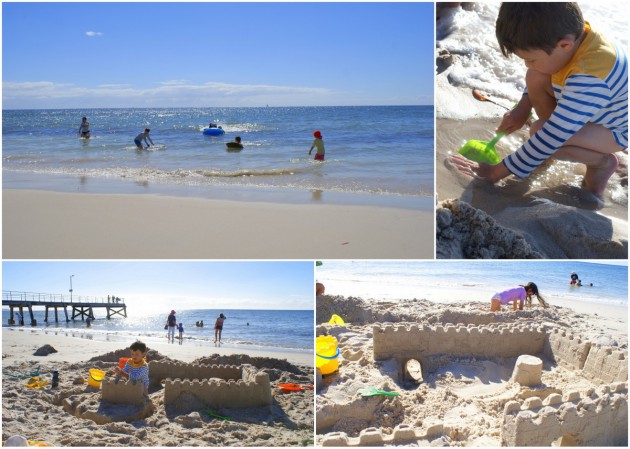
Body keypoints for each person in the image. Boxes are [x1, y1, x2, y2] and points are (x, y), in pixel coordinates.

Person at [451, 3, 627, 198]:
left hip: (612, 130)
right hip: (589, 107)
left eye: (531, 59)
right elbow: (541, 73)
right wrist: (524, 106)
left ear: (565, 45)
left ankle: (600, 163)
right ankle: (549, 149)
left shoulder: (589, 76)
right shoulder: (573, 35)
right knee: (536, 75)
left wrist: (495, 172)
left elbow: (552, 134)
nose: (527, 64)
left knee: (541, 132)